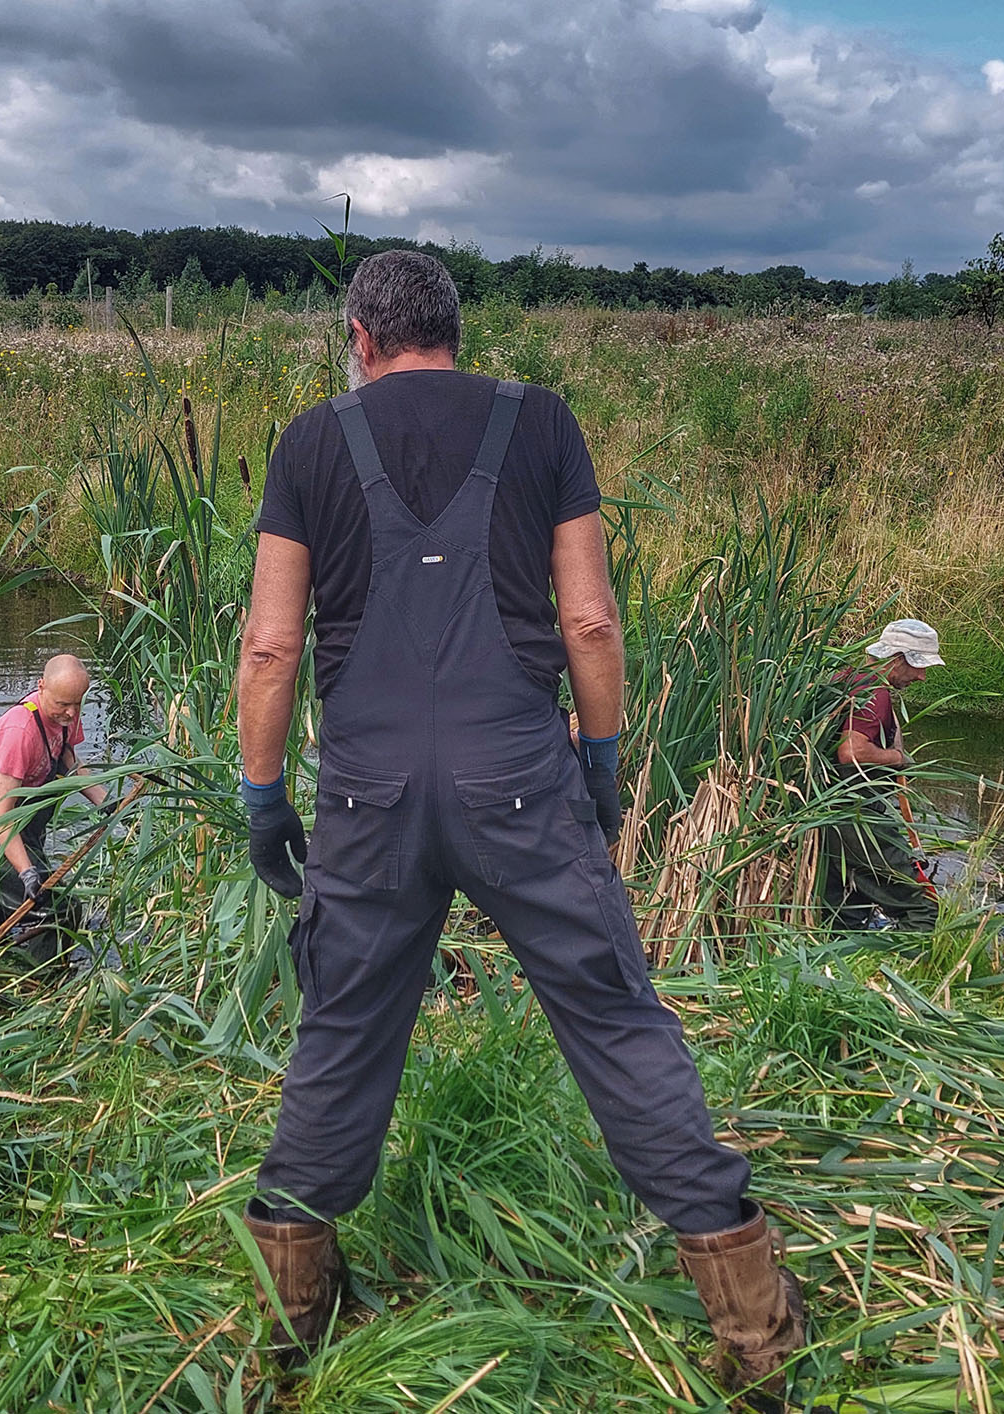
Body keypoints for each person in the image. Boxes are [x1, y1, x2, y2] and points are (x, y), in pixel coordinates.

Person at [236, 251, 803, 1400]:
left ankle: (289, 1337)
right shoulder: (540, 422)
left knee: (341, 1035)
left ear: (358, 335)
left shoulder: (308, 443)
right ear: (454, 327)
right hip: (517, 781)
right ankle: (754, 1338)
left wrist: (262, 796)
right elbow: (588, 621)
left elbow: (269, 645)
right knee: (614, 1018)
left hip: (365, 796)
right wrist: (597, 763)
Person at [0, 655, 107, 967]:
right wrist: (27, 873)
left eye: (78, 703)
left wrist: (106, 802)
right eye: (64, 704)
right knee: (55, 907)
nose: (72, 713)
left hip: (22, 824)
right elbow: (0, 816)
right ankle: (38, 979)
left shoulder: (66, 714)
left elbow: (69, 761)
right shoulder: (19, 731)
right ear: (41, 687)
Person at [822, 619, 943, 932]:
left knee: (846, 910)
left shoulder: (847, 678)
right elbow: (852, 752)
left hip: (827, 814)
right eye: (918, 666)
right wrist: (897, 757)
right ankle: (914, 973)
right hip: (858, 817)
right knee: (922, 906)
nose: (922, 676)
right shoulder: (875, 693)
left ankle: (846, 967)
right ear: (898, 659)